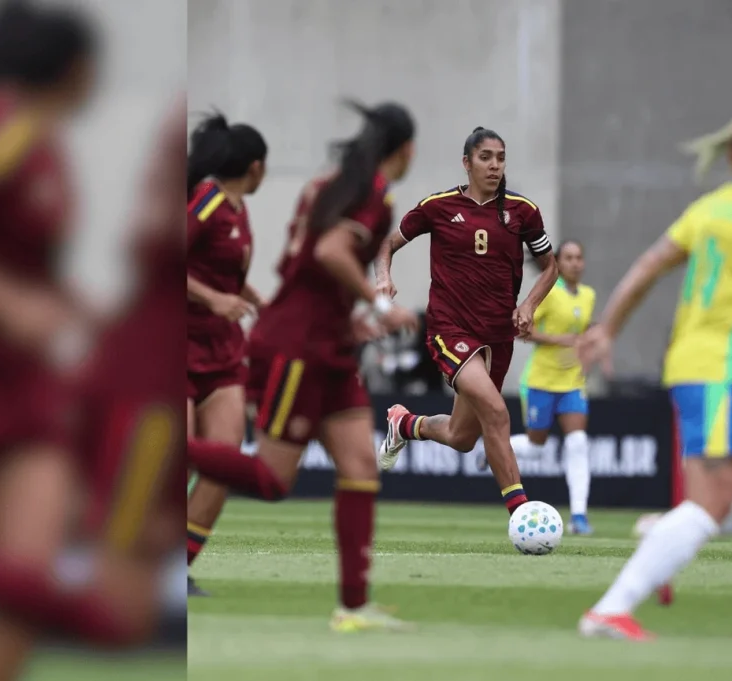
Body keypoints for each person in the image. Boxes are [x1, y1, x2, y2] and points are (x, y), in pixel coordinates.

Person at [188, 100, 419, 633]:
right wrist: (379, 304)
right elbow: (332, 253)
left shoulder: (332, 182)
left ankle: (354, 608)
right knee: (272, 480)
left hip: (326, 342)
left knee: (361, 466)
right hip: (298, 348)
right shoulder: (372, 194)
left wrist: (349, 318)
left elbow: (308, 266)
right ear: (404, 151)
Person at [576, 90, 732, 641]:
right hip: (720, 374)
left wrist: (607, 328)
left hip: (708, 373)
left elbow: (647, 265)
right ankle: (609, 610)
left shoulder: (708, 209)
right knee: (712, 504)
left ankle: (667, 529)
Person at [0, 2, 99, 678]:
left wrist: (78, 308)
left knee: (26, 596)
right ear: (75, 69)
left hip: (27, 389)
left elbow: (24, 258)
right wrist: (9, 302)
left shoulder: (41, 139)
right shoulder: (0, 130)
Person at [374, 126, 559, 517]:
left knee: (461, 437)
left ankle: (405, 424)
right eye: (485, 157)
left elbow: (551, 267)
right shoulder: (438, 207)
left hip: (499, 336)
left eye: (500, 157)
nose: (494, 165)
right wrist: (384, 277)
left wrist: (529, 305)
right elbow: (386, 243)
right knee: (496, 411)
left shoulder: (523, 212)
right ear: (467, 163)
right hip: (450, 328)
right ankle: (521, 512)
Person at [185, 113, 268, 596]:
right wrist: (214, 300)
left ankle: (181, 567)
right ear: (254, 167)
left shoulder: (238, 210)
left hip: (222, 353)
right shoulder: (207, 201)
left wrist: (246, 294)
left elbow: (218, 271)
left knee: (223, 461)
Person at [504, 239, 596, 534]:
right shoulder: (548, 294)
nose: (575, 263)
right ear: (557, 262)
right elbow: (521, 329)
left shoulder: (588, 296)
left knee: (578, 443)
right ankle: (493, 448)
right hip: (541, 381)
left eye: (579, 257)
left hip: (572, 383)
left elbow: (583, 334)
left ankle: (579, 517)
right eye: (568, 257)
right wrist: (561, 340)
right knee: (535, 446)